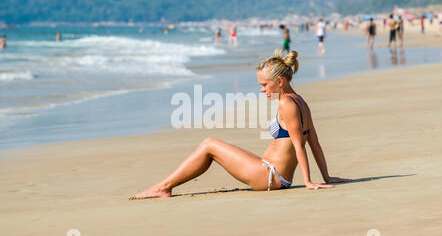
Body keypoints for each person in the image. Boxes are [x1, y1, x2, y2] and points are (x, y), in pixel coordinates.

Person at [130, 51, 351, 200]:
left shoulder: (286, 104)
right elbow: (314, 142)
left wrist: (309, 182)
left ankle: (163, 187)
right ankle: (165, 186)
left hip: (270, 176)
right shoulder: (300, 101)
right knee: (211, 147)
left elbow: (299, 145)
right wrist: (326, 176)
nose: (262, 90)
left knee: (209, 145)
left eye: (264, 85)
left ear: (280, 82)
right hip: (276, 176)